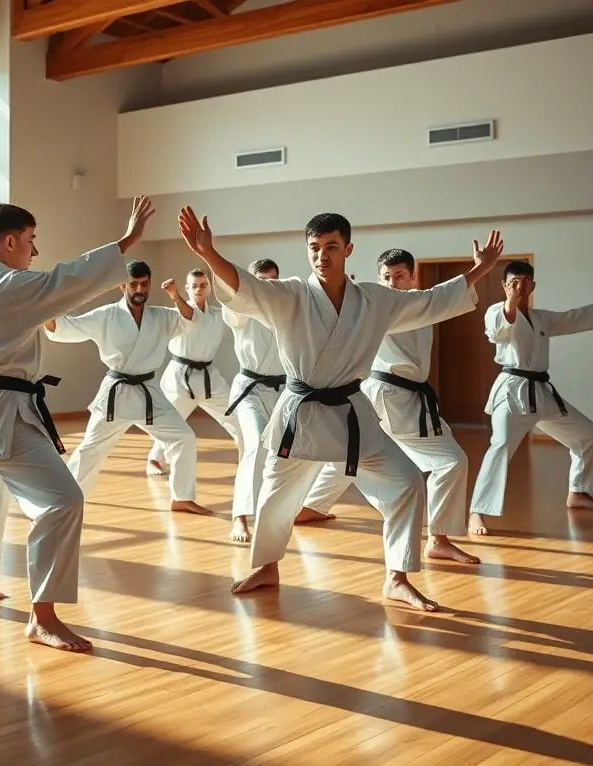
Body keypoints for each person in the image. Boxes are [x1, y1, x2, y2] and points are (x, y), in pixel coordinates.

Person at [178, 206, 503, 611]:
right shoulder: (292, 295)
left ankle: (396, 577)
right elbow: (247, 288)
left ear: (348, 249)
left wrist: (480, 271)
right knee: (275, 496)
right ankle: (266, 566)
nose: (321, 255)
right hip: (300, 412)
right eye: (314, 247)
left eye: (331, 247)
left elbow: (430, 301)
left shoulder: (374, 300)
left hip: (352, 412)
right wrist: (209, 254)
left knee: (405, 482)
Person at [0, 197, 154, 653]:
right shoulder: (7, 285)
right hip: (0, 411)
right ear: (9, 241)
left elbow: (56, 287)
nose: (34, 251)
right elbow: (67, 281)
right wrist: (126, 242)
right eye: (30, 240)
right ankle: (43, 617)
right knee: (63, 501)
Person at [300, 249, 480, 564]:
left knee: (355, 452)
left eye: (399, 276)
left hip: (400, 397)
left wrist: (478, 270)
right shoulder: (377, 306)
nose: (392, 283)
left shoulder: (423, 303)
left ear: (414, 277)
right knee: (450, 462)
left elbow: (446, 297)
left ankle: (311, 507)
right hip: (391, 395)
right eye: (386, 277)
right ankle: (438, 538)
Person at [468, 261, 593, 534]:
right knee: (500, 447)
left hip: (542, 393)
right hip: (512, 392)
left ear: (533, 285)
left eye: (525, 281)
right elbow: (498, 331)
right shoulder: (495, 312)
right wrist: (511, 301)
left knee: (589, 435)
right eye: (513, 282)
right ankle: (478, 511)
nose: (520, 286)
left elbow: (572, 318)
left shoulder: (542, 318)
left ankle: (579, 492)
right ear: (504, 286)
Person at [44, 262, 213, 516]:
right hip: (116, 394)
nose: (139, 289)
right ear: (122, 285)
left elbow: (192, 323)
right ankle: (63, 501)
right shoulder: (106, 315)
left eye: (144, 283)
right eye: (133, 283)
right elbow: (65, 327)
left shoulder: (161, 316)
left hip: (149, 393)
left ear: (150, 284)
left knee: (184, 437)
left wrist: (177, 296)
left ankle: (181, 497)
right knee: (90, 451)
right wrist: (43, 310)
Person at [222, 258, 334, 543]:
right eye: (261, 279)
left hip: (284, 392)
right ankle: (240, 518)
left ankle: (296, 508)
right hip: (250, 390)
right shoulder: (242, 309)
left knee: (300, 449)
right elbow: (230, 299)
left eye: (272, 279)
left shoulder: (287, 308)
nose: (267, 284)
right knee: (256, 444)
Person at [145, 269, 243, 476]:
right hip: (180, 376)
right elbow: (189, 316)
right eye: (194, 285)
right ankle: (155, 458)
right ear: (187, 289)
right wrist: (175, 296)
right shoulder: (179, 310)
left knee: (235, 416)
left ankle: (247, 455)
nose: (199, 289)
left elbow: (236, 307)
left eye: (203, 285)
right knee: (171, 420)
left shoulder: (218, 314)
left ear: (209, 288)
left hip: (209, 376)